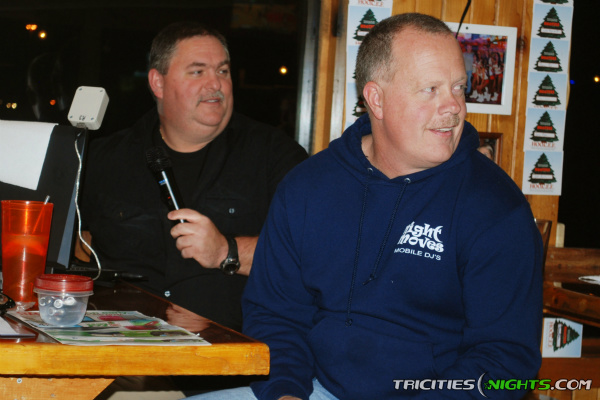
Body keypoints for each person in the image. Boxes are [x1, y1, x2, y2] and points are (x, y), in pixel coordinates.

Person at [188, 13, 543, 400]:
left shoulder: (496, 207)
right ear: (376, 99)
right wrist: (285, 392)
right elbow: (275, 314)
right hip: (316, 388)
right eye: (430, 90)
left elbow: (506, 358)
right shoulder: (307, 187)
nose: (453, 107)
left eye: (458, 88)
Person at [80, 21, 308, 333]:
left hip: (231, 349)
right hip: (120, 346)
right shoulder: (104, 158)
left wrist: (226, 251)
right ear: (158, 83)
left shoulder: (274, 154)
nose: (216, 84)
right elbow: (69, 246)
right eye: (198, 71)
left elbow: (313, 253)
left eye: (223, 71)